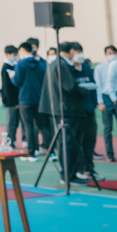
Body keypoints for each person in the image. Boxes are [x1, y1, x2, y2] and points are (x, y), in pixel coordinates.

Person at [39, 42, 87, 185]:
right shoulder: (62, 65)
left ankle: (68, 173)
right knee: (69, 143)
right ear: (71, 51)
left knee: (65, 142)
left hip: (59, 109)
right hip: (67, 109)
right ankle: (68, 174)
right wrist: (85, 91)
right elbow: (70, 87)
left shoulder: (54, 63)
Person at [12, 42, 48, 156]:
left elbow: (17, 81)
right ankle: (51, 150)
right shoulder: (41, 64)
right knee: (42, 126)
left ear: (23, 50)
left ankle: (32, 152)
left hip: (25, 99)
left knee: (28, 126)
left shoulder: (20, 65)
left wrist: (12, 77)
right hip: (38, 99)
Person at [70, 43, 100, 179]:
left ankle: (89, 169)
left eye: (80, 52)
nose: (79, 55)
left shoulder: (87, 69)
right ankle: (78, 170)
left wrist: (93, 104)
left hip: (89, 111)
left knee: (89, 141)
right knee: (77, 142)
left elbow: (94, 87)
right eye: (76, 52)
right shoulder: (69, 70)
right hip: (76, 113)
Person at [94, 45, 117, 162]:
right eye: (109, 53)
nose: (112, 55)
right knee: (108, 128)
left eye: (114, 53)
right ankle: (110, 153)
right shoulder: (100, 67)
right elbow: (98, 85)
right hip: (106, 98)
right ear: (105, 55)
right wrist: (100, 102)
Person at [0, 45, 23, 147]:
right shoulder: (6, 67)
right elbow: (6, 88)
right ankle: (8, 143)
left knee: (15, 123)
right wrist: (11, 102)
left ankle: (12, 142)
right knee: (11, 123)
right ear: (7, 54)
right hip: (11, 102)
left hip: (16, 101)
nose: (15, 56)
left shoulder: (14, 65)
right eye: (14, 54)